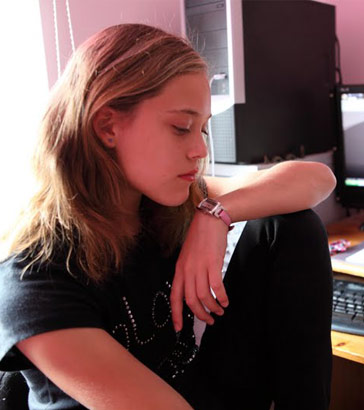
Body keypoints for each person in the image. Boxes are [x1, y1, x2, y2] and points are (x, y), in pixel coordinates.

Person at [0, 23, 336, 410]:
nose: (198, 150)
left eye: (203, 130)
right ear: (107, 126)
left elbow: (315, 179)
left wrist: (215, 215)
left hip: (191, 389)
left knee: (289, 226)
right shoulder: (35, 281)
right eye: (181, 128)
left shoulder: (159, 201)